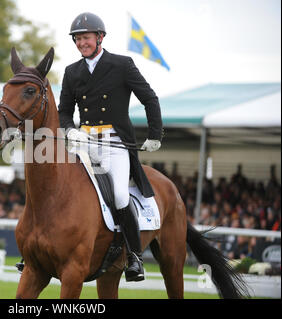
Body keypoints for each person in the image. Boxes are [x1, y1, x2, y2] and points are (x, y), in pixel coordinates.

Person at [58, 12, 163, 282]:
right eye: (78, 39)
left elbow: (150, 98)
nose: (82, 43)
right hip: (84, 142)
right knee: (62, 187)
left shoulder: (122, 65)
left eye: (86, 38)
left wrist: (154, 134)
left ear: (100, 37)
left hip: (115, 144)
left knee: (118, 195)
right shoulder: (71, 72)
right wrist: (70, 130)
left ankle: (135, 257)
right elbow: (64, 111)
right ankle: (39, 250)